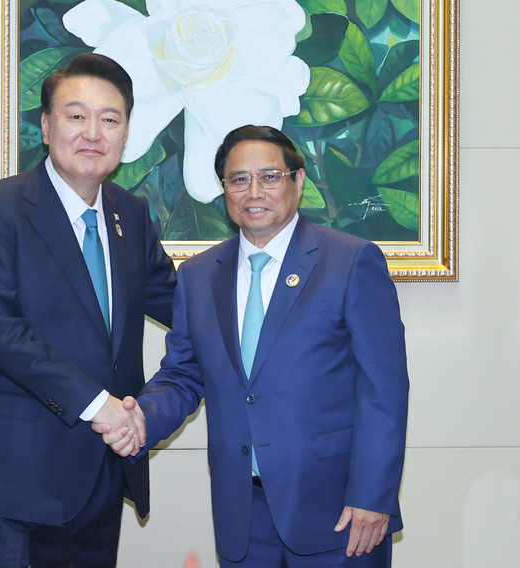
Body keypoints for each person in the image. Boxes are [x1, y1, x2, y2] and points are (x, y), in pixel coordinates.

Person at [100, 125, 409, 567]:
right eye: (239, 179)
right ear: (224, 189)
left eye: (270, 176)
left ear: (298, 181)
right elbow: (184, 373)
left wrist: (373, 496)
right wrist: (143, 418)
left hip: (338, 510)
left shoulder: (351, 261)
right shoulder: (199, 275)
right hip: (241, 511)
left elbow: (385, 388)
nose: (254, 191)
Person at [0, 53, 176, 568]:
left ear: (126, 132)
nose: (94, 132)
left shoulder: (130, 215)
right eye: (76, 116)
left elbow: (183, 305)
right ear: (47, 127)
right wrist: (100, 404)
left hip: (100, 473)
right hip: (9, 477)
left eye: (110, 119)